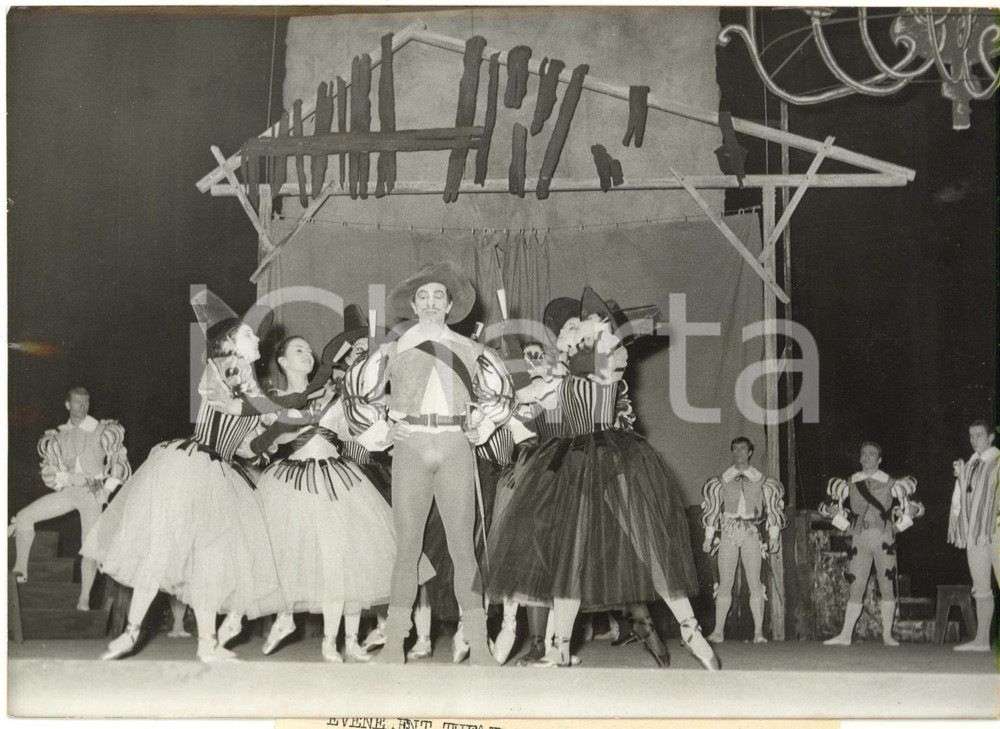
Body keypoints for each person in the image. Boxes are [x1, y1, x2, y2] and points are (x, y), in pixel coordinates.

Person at [484, 288, 720, 670]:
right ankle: (560, 646)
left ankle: (689, 628)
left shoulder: (603, 365)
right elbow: (520, 401)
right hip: (573, 460)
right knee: (570, 554)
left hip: (606, 457)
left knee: (645, 541)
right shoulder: (560, 378)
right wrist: (495, 406)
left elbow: (604, 355)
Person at [82, 290, 289, 662]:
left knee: (211, 559)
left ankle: (207, 643)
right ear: (228, 345)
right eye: (248, 335)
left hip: (221, 473)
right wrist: (276, 409)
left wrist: (274, 430)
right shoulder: (218, 373)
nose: (257, 340)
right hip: (189, 466)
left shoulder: (257, 391)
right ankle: (131, 632)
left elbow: (245, 448)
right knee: (162, 547)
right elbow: (222, 398)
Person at [344, 260, 515, 665]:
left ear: (451, 304)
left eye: (440, 296)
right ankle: (393, 645)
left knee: (463, 550)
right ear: (413, 304)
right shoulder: (393, 348)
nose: (432, 302)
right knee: (407, 548)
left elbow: (503, 398)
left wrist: (483, 427)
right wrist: (382, 433)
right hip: (412, 447)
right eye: (424, 296)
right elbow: (356, 398)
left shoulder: (471, 349)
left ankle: (479, 644)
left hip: (456, 445)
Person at [250, 334, 423, 662]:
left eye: (307, 348)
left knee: (343, 561)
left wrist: (388, 433)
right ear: (283, 362)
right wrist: (300, 412)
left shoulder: (335, 398)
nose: (306, 352)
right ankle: (285, 617)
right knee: (288, 555)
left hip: (337, 481)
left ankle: (343, 641)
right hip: (293, 483)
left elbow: (358, 433)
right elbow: (271, 441)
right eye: (297, 349)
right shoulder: (274, 399)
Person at [10, 387, 131, 610]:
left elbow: (118, 459)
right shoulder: (59, 434)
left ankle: (84, 599)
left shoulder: (101, 429)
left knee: (90, 547)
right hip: (68, 493)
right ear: (68, 404)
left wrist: (108, 487)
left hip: (92, 494)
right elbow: (52, 472)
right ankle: (21, 572)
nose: (82, 406)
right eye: (77, 402)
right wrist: (67, 477)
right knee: (24, 516)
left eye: (85, 402)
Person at [820, 441, 923, 646]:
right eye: (864, 454)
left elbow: (916, 509)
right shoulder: (848, 483)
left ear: (879, 459)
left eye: (872, 454)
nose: (867, 457)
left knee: (887, 586)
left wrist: (900, 525)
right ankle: (845, 635)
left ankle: (887, 635)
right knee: (856, 587)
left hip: (884, 539)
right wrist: (842, 522)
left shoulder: (892, 483)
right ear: (859, 458)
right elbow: (827, 509)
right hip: (860, 539)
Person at [700, 437, 787, 644]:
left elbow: (773, 510)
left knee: (755, 582)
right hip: (728, 531)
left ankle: (758, 633)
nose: (739, 452)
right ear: (732, 452)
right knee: (725, 583)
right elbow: (712, 511)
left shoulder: (762, 481)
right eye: (736, 449)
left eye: (743, 449)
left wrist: (774, 537)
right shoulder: (721, 481)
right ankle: (718, 631)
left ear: (750, 452)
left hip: (750, 532)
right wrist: (709, 537)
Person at [946, 419, 999, 652]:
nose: (974, 439)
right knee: (981, 587)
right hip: (974, 534)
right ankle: (981, 641)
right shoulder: (969, 464)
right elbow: (963, 499)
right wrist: (961, 475)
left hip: (996, 532)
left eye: (979, 435)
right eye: (971, 435)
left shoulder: (998, 461)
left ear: (991, 438)